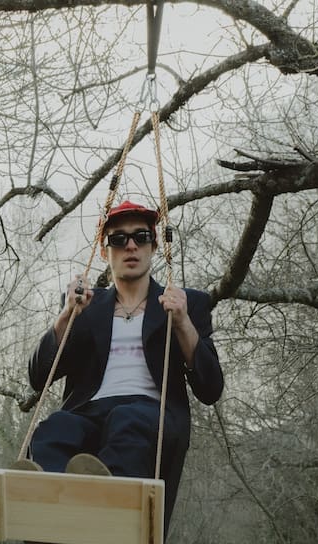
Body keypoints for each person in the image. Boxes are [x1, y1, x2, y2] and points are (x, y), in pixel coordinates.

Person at [26, 200, 225, 525]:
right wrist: (65, 316)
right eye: (118, 239)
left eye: (141, 236)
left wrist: (183, 323)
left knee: (127, 420)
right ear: (104, 251)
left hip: (149, 414)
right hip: (89, 412)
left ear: (154, 245)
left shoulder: (187, 304)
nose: (130, 246)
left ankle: (112, 517)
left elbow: (211, 388)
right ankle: (54, 516)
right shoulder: (86, 306)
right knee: (54, 428)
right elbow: (38, 377)